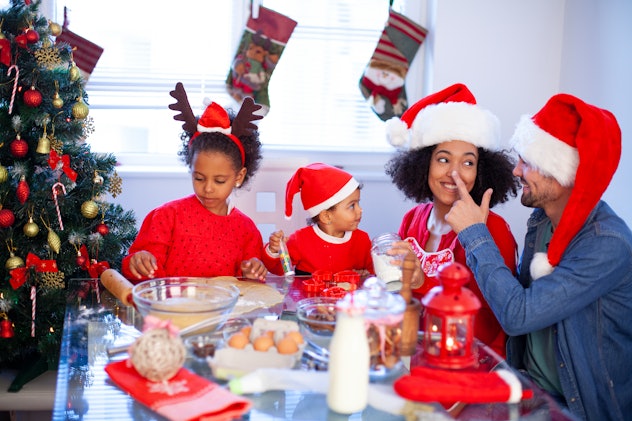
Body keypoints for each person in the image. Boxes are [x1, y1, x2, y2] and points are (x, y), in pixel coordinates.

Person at [444, 93, 632, 420]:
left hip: (577, 406)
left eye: (528, 162)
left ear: (562, 172)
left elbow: (519, 314)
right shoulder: (543, 220)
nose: (516, 171)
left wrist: (475, 234)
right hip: (528, 384)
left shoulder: (608, 244)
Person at [384, 83, 520, 358]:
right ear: (424, 164)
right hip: (414, 351)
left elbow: (486, 327)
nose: (454, 174)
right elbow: (400, 298)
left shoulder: (491, 229)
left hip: (471, 363)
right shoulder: (412, 219)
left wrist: (422, 281)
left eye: (468, 163)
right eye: (443, 159)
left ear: (482, 171)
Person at [121, 82, 268, 282]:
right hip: (173, 310)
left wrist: (253, 273)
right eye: (199, 178)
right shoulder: (166, 216)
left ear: (239, 177)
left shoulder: (247, 231)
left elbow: (252, 284)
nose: (207, 188)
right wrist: (139, 262)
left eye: (219, 181)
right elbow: (141, 270)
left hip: (223, 313)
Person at [262, 163, 374, 277]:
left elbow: (374, 272)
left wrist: (366, 275)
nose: (360, 210)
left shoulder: (362, 241)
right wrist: (274, 250)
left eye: (358, 203)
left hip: (348, 295)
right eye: (352, 206)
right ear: (326, 216)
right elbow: (279, 270)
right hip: (309, 295)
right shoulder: (300, 240)